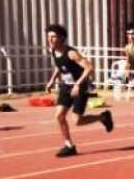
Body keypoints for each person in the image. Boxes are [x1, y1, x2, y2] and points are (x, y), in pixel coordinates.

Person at [43, 24, 113, 157]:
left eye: (53, 37)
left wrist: (78, 83)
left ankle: (103, 117)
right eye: (48, 37)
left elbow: (89, 68)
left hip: (80, 86)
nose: (50, 40)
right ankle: (69, 145)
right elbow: (60, 65)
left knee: (77, 121)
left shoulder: (71, 53)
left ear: (62, 38)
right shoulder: (53, 50)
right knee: (59, 116)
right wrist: (52, 80)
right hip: (66, 86)